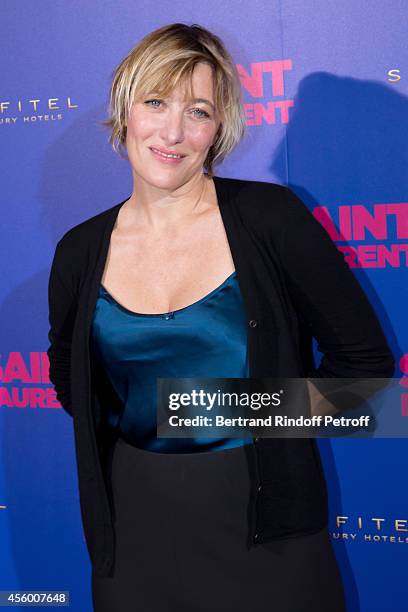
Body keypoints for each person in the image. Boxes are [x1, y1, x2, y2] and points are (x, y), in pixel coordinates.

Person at [47, 23, 395, 612]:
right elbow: (70, 378)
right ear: (125, 109)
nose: (173, 132)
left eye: (198, 111)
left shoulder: (271, 219)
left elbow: (365, 369)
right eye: (156, 101)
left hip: (268, 535)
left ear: (219, 128)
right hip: (132, 535)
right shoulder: (80, 249)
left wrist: (218, 408)